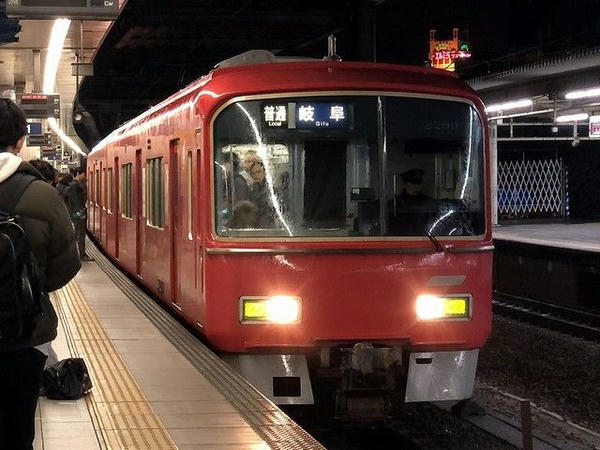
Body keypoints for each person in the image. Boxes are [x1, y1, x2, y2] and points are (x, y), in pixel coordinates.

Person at [0, 98, 80, 449]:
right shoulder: (43, 196)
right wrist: (29, 287)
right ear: (20, 141)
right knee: (18, 431)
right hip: (22, 337)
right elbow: (67, 264)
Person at [64, 167, 93, 261]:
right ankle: (81, 255)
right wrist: (79, 214)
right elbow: (75, 201)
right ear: (78, 174)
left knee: (79, 235)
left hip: (77, 215)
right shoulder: (74, 185)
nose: (85, 176)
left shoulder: (76, 185)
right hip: (78, 216)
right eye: (84, 174)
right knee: (80, 235)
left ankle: (80, 254)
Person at [248, 160, 275, 227]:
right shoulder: (252, 188)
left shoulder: (270, 189)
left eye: (259, 172)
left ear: (265, 172)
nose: (256, 175)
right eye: (253, 173)